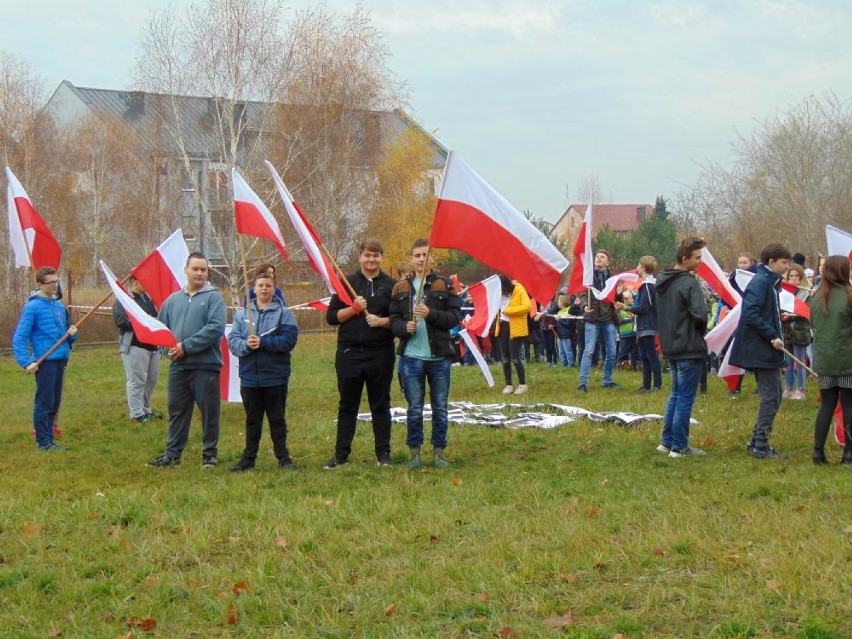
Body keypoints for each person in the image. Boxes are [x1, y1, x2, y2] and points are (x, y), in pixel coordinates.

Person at [146, 252, 226, 468]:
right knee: (177, 411)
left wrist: (186, 347)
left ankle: (209, 454)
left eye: (203, 269)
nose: (199, 273)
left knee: (209, 412)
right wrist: (168, 350)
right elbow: (161, 331)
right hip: (178, 367)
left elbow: (215, 328)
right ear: (186, 270)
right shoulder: (173, 300)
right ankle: (172, 454)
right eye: (195, 269)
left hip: (205, 366)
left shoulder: (214, 298)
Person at [323, 239, 397, 469]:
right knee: (347, 405)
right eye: (367, 255)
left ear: (382, 258)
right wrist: (353, 309)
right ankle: (341, 454)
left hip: (380, 353)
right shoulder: (347, 283)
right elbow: (332, 318)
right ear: (360, 257)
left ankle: (383, 454)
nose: (371, 260)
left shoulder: (392, 286)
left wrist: (382, 322)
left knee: (381, 404)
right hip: (349, 353)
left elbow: (399, 320)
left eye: (376, 255)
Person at [390, 239, 462, 469]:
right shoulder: (400, 288)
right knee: (414, 408)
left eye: (425, 255)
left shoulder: (444, 284)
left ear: (432, 258)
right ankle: (414, 453)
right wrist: (404, 328)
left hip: (439, 357)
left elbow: (454, 318)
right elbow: (393, 321)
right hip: (411, 357)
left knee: (440, 407)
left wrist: (431, 314)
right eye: (417, 255)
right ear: (411, 258)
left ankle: (439, 452)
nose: (421, 259)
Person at [228, 270, 299, 471]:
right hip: (250, 376)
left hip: (275, 376)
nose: (264, 289)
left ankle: (283, 457)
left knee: (277, 418)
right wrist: (246, 345)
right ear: (254, 288)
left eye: (268, 285)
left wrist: (264, 342)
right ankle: (248, 459)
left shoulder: (283, 313)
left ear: (274, 288)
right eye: (260, 285)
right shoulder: (242, 315)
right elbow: (232, 342)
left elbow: (289, 340)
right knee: (253, 420)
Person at [729, 243, 792, 459]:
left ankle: (756, 441)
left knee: (775, 394)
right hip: (761, 348)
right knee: (771, 396)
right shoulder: (761, 282)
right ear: (771, 262)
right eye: (784, 262)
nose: (787, 266)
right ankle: (761, 446)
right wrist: (772, 334)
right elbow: (750, 313)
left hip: (765, 347)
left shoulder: (770, 282)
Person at [13, 267, 78, 451]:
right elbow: (19, 338)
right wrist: (27, 362)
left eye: (56, 282)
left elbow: (66, 335)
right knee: (45, 402)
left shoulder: (58, 306)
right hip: (45, 361)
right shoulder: (32, 307)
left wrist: (72, 334)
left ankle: (49, 438)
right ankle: (43, 442)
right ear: (39, 284)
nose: (54, 285)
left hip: (61, 359)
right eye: (50, 282)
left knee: (55, 402)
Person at [655, 237, 709, 457]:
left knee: (676, 394)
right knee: (685, 397)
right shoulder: (688, 282)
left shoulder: (662, 283)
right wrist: (699, 332)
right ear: (684, 259)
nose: (700, 262)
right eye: (697, 258)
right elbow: (700, 314)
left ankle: (666, 442)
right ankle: (679, 446)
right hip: (688, 346)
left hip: (671, 346)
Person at [808, 255, 852, 465]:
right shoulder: (849, 295)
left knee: (827, 404)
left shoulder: (816, 298)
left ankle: (818, 452)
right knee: (849, 404)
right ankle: (849, 453)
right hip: (847, 359)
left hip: (824, 359)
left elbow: (814, 326)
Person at [113, 276, 162, 423]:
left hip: (153, 346)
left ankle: (146, 409)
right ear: (134, 282)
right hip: (135, 345)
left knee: (151, 380)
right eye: (144, 281)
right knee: (137, 380)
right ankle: (136, 413)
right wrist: (141, 322)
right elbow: (120, 321)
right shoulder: (123, 300)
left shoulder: (148, 299)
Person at [578, 249, 618, 391]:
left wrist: (620, 302)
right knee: (589, 350)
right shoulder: (589, 277)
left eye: (602, 257)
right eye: (597, 257)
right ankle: (583, 383)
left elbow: (616, 297)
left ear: (607, 262)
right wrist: (585, 305)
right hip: (593, 319)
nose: (599, 258)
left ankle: (607, 381)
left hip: (609, 320)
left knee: (612, 351)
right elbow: (583, 293)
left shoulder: (613, 279)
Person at [630, 255, 662, 393]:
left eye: (638, 265)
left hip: (647, 325)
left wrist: (629, 307)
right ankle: (646, 385)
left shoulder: (648, 285)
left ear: (643, 267)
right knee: (644, 356)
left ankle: (657, 385)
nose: (637, 267)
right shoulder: (646, 285)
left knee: (651, 355)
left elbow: (644, 307)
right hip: (643, 325)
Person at [781, 263, 811, 400]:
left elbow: (807, 312)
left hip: (800, 331)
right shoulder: (784, 292)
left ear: (801, 276)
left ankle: (800, 389)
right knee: (788, 361)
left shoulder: (807, 292)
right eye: (791, 276)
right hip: (787, 331)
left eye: (796, 276)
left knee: (799, 362)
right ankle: (789, 388)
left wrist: (791, 315)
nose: (793, 278)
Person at [497, 274, 531, 395]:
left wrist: (508, 311)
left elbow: (527, 307)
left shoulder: (519, 289)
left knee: (515, 357)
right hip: (503, 327)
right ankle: (509, 384)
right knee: (505, 358)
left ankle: (522, 384)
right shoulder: (499, 294)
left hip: (516, 328)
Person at [615, 290, 638, 370]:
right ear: (626, 299)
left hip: (634, 333)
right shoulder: (620, 309)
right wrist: (630, 319)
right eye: (631, 298)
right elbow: (619, 321)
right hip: (625, 333)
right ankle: (618, 364)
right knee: (624, 350)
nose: (632, 300)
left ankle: (634, 366)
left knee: (634, 351)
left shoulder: (632, 308)